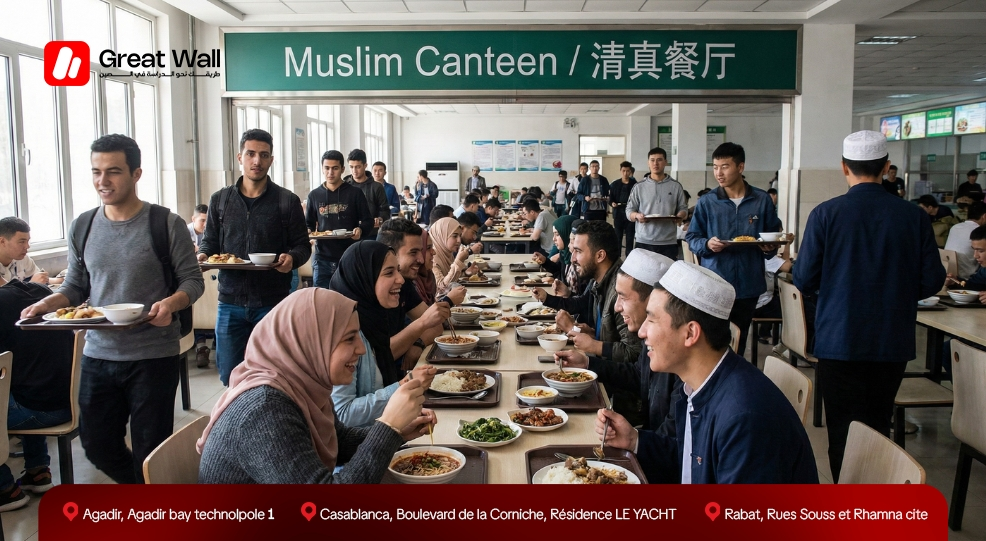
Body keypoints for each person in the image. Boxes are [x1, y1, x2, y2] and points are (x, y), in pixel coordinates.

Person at [21, 134, 205, 484]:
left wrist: (170, 303)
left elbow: (192, 282)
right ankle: (142, 490)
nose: (102, 181)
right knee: (96, 443)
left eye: (113, 172)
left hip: (152, 354)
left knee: (151, 446)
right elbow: (76, 286)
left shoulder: (165, 224)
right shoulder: (83, 225)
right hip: (99, 353)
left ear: (136, 174)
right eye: (96, 171)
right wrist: (46, 302)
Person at [793, 130, 944, 482]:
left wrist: (835, 294)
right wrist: (898, 294)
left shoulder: (826, 214)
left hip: (838, 340)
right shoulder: (913, 216)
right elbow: (932, 280)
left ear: (844, 167)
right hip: (891, 342)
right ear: (886, 167)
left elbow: (803, 278)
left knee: (842, 430)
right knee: (878, 424)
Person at [597, 261, 818, 484]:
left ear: (691, 333)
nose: (643, 332)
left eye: (652, 319)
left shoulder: (744, 418)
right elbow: (692, 458)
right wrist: (634, 440)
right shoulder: (696, 385)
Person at [196, 288, 436, 484]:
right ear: (311, 341)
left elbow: (339, 441)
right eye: (349, 338)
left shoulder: (302, 383)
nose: (361, 350)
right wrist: (388, 425)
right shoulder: (265, 410)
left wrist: (397, 432)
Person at [199, 130, 311, 386]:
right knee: (230, 375)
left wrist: (291, 259)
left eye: (263, 155)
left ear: (271, 160)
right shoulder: (221, 201)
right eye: (250, 154)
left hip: (272, 301)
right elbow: (210, 242)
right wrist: (204, 255)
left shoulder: (286, 201)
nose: (256, 161)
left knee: (274, 374)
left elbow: (302, 246)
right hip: (230, 302)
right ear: (240, 157)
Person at [555, 250, 679, 469]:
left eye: (623, 297)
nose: (616, 306)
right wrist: (588, 364)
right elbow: (638, 375)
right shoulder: (653, 341)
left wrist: (635, 439)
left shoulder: (683, 366)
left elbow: (680, 454)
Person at [532, 221, 642, 416]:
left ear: (600, 255)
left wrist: (593, 346)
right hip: (600, 375)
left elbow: (633, 354)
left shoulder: (620, 290)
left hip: (614, 394)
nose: (572, 258)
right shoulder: (598, 279)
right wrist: (590, 333)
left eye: (578, 251)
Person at [686, 142, 781, 360]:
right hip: (716, 282)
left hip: (748, 284)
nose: (719, 173)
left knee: (740, 339)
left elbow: (771, 237)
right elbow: (693, 237)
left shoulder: (761, 200)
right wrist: (708, 245)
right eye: (716, 167)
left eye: (725, 166)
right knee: (713, 340)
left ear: (740, 167)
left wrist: (769, 248)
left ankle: (735, 382)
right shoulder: (708, 202)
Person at [329, 241, 438, 427]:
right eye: (389, 273)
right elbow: (343, 414)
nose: (401, 279)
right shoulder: (344, 332)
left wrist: (403, 409)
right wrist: (402, 387)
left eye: (397, 270)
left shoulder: (374, 317)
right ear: (364, 278)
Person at [0, 280, 74, 508]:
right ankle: (38, 471)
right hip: (71, 401)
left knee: (23, 391)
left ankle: (5, 490)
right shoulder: (41, 292)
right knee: (27, 385)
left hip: (40, 408)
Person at [376, 218, 459, 369]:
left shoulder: (403, 282)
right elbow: (378, 358)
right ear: (389, 252)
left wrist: (417, 344)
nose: (421, 259)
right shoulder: (359, 294)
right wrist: (421, 324)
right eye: (414, 252)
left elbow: (435, 324)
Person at [305, 150, 373, 288]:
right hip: (322, 257)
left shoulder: (355, 193)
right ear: (322, 169)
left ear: (342, 169)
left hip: (348, 256)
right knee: (321, 299)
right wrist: (308, 231)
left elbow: (368, 221)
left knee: (348, 299)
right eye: (327, 168)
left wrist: (360, 230)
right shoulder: (314, 195)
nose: (330, 172)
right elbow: (309, 223)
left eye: (335, 168)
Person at [627, 147, 688, 261]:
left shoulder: (675, 186)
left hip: (668, 241)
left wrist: (680, 215)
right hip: (644, 241)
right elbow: (629, 211)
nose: (655, 163)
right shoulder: (639, 187)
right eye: (652, 160)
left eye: (659, 160)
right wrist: (637, 216)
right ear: (648, 163)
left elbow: (683, 208)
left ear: (665, 162)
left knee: (667, 277)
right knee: (643, 277)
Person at [344, 149, 390, 237]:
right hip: (350, 234)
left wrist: (380, 219)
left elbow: (385, 210)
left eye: (358, 167)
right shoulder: (345, 186)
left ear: (365, 165)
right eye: (351, 167)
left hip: (371, 233)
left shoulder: (376, 187)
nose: (354, 170)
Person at [430, 217, 480, 292]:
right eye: (454, 236)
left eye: (460, 235)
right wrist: (458, 261)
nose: (459, 240)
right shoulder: (432, 257)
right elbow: (442, 288)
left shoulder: (447, 253)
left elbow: (450, 277)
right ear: (442, 235)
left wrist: (465, 273)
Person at [532, 214, 576, 289]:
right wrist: (545, 261)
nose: (554, 239)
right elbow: (558, 272)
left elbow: (574, 292)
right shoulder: (564, 253)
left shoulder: (577, 261)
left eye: (557, 234)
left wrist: (557, 282)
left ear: (567, 234)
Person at [0, 218, 48, 287]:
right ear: (2, 241)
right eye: (22, 242)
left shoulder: (23, 258)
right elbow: (6, 293)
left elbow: (39, 278)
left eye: (27, 241)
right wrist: (31, 285)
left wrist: (62, 279)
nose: (27, 246)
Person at [945, 201, 986, 279]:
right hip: (968, 277)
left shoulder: (955, 227)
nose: (975, 255)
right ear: (984, 216)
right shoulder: (979, 232)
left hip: (949, 273)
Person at [609, 161, 637, 258]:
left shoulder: (635, 184)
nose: (625, 173)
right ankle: (617, 259)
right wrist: (612, 203)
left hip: (631, 215)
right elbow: (610, 198)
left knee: (630, 238)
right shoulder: (615, 184)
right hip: (618, 214)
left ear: (630, 172)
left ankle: (629, 259)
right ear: (620, 171)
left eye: (628, 171)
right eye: (623, 171)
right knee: (618, 237)